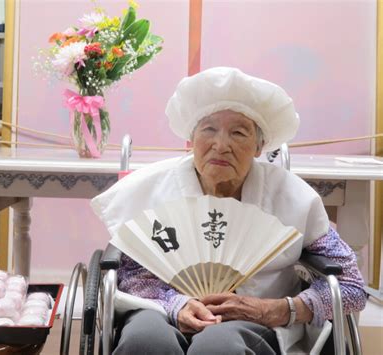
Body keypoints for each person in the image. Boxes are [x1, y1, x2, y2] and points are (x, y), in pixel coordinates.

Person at [91, 67, 367, 354]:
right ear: (191, 139)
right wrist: (175, 304)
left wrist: (280, 309)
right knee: (144, 340)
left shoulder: (292, 198)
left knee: (217, 347)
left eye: (238, 133)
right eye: (208, 129)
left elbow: (350, 286)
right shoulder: (148, 190)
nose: (220, 145)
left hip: (253, 322)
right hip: (159, 309)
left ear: (259, 146)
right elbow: (128, 273)